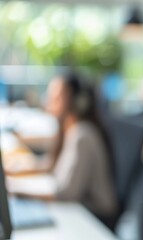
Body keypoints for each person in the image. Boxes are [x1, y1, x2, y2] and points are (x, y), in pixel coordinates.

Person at [7, 71, 118, 226]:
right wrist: (14, 172)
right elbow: (52, 165)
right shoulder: (69, 130)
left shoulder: (82, 135)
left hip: (96, 218)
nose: (48, 101)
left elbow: (66, 194)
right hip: (80, 211)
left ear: (77, 102)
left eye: (56, 98)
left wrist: (18, 191)